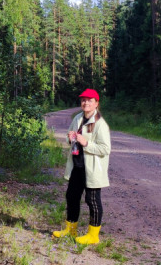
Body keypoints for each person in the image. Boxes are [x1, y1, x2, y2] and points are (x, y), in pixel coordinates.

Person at [52, 88, 111, 245]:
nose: (86, 103)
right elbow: (70, 138)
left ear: (96, 103)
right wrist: (70, 138)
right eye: (83, 100)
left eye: (89, 100)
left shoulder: (100, 124)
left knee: (92, 201)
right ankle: (70, 230)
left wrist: (86, 143)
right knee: (71, 197)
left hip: (92, 170)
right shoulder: (78, 118)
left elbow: (105, 149)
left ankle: (93, 236)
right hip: (77, 166)